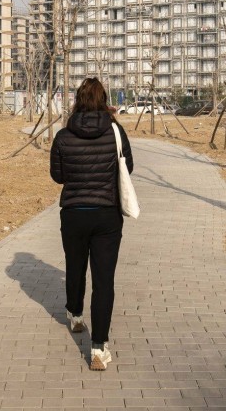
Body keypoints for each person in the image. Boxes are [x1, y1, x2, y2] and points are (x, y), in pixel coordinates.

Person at [49, 77, 133, 371]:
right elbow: (129, 168)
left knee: (75, 266)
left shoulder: (62, 136)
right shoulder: (116, 132)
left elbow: (58, 177)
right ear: (103, 99)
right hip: (107, 215)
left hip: (73, 213)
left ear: (77, 100)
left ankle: (74, 315)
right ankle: (99, 348)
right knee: (104, 280)